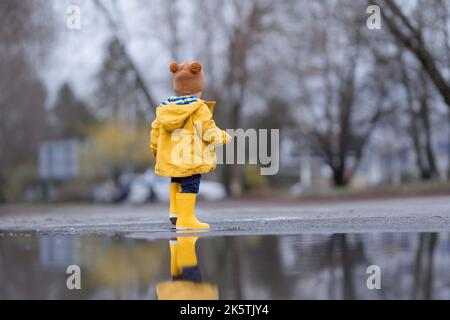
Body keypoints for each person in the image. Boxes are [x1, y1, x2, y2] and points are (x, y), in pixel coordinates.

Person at [150, 61, 231, 230]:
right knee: (191, 184)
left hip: (172, 158)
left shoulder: (164, 108)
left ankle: (175, 211)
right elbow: (207, 131)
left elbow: (155, 130)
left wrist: (155, 149)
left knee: (176, 178)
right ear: (198, 87)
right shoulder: (199, 107)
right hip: (190, 158)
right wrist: (223, 137)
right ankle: (186, 219)